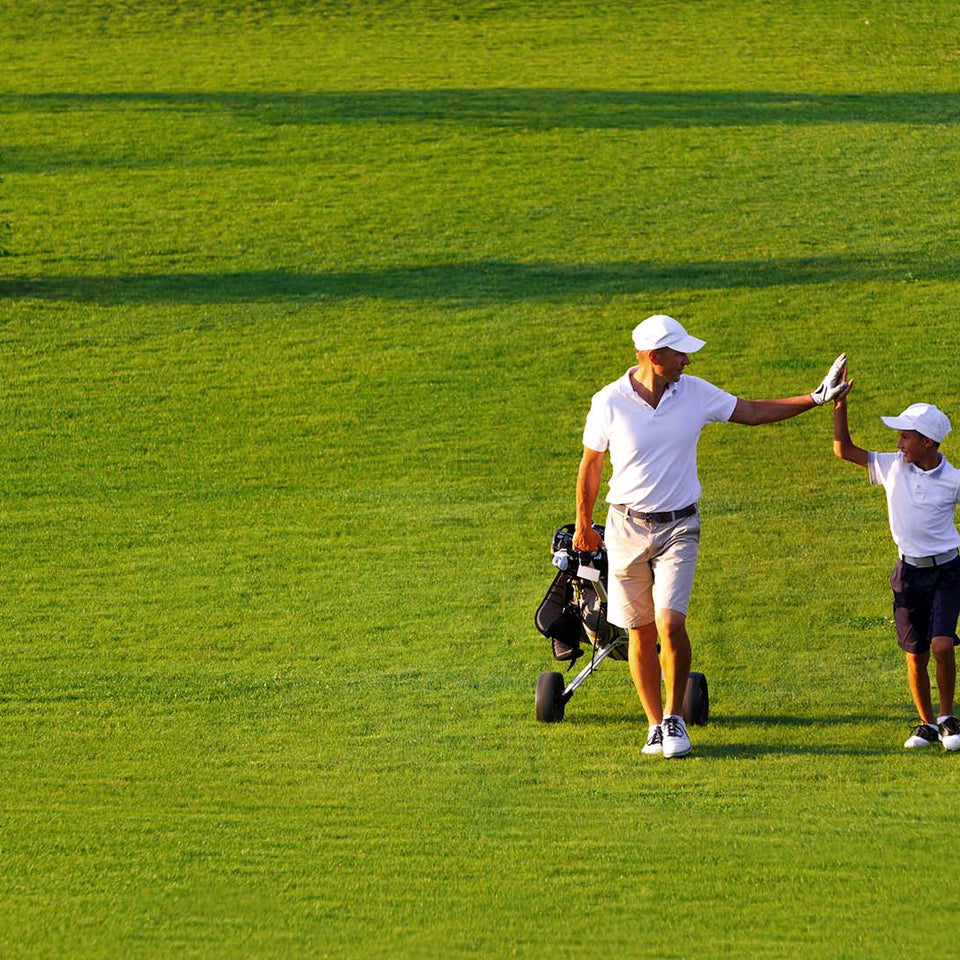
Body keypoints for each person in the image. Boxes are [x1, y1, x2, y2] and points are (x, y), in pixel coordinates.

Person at [573, 314, 847, 758]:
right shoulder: (609, 401)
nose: (686, 359)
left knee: (670, 622)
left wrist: (815, 398)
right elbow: (591, 465)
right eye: (678, 352)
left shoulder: (695, 392)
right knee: (640, 632)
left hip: (680, 525)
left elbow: (753, 411)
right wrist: (584, 524)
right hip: (625, 526)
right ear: (653, 356)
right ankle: (654, 726)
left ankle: (676, 717)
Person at [832, 374, 960, 751]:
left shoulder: (953, 480)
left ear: (927, 442)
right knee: (915, 653)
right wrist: (840, 405)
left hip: (947, 572)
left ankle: (948, 716)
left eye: (905, 436)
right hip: (907, 573)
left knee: (941, 645)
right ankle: (926, 724)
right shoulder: (891, 466)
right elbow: (844, 450)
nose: (898, 441)